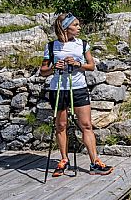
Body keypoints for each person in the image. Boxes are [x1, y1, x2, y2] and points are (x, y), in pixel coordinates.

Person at [40, 13, 113, 177]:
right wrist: (54, 68)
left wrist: (77, 64)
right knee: (61, 126)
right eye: (76, 25)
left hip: (78, 88)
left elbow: (91, 66)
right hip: (58, 89)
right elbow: (43, 71)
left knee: (86, 125)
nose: (79, 27)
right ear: (66, 27)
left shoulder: (82, 44)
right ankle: (64, 160)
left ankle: (95, 162)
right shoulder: (51, 46)